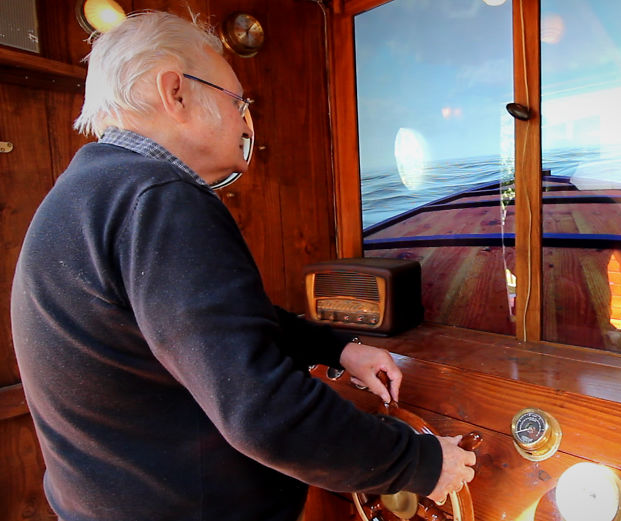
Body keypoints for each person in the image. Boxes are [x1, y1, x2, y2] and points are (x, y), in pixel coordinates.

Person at [10, 10, 474, 521]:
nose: (246, 120)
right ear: (176, 92)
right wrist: (419, 463)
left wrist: (338, 349)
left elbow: (209, 323)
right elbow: (262, 410)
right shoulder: (160, 198)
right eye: (239, 101)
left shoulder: (86, 192)